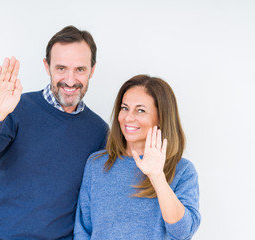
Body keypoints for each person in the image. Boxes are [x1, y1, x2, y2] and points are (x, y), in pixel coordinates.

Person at [0, 26, 108, 240]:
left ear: (92, 70)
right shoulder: (16, 108)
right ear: (47, 67)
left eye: (80, 69)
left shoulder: (98, 130)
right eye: (61, 68)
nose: (71, 80)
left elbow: (95, 203)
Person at [74, 75, 201, 239]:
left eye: (141, 110)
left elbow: (183, 232)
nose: (128, 118)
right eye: (124, 108)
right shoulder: (97, 164)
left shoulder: (183, 171)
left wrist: (157, 177)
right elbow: (83, 230)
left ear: (161, 118)